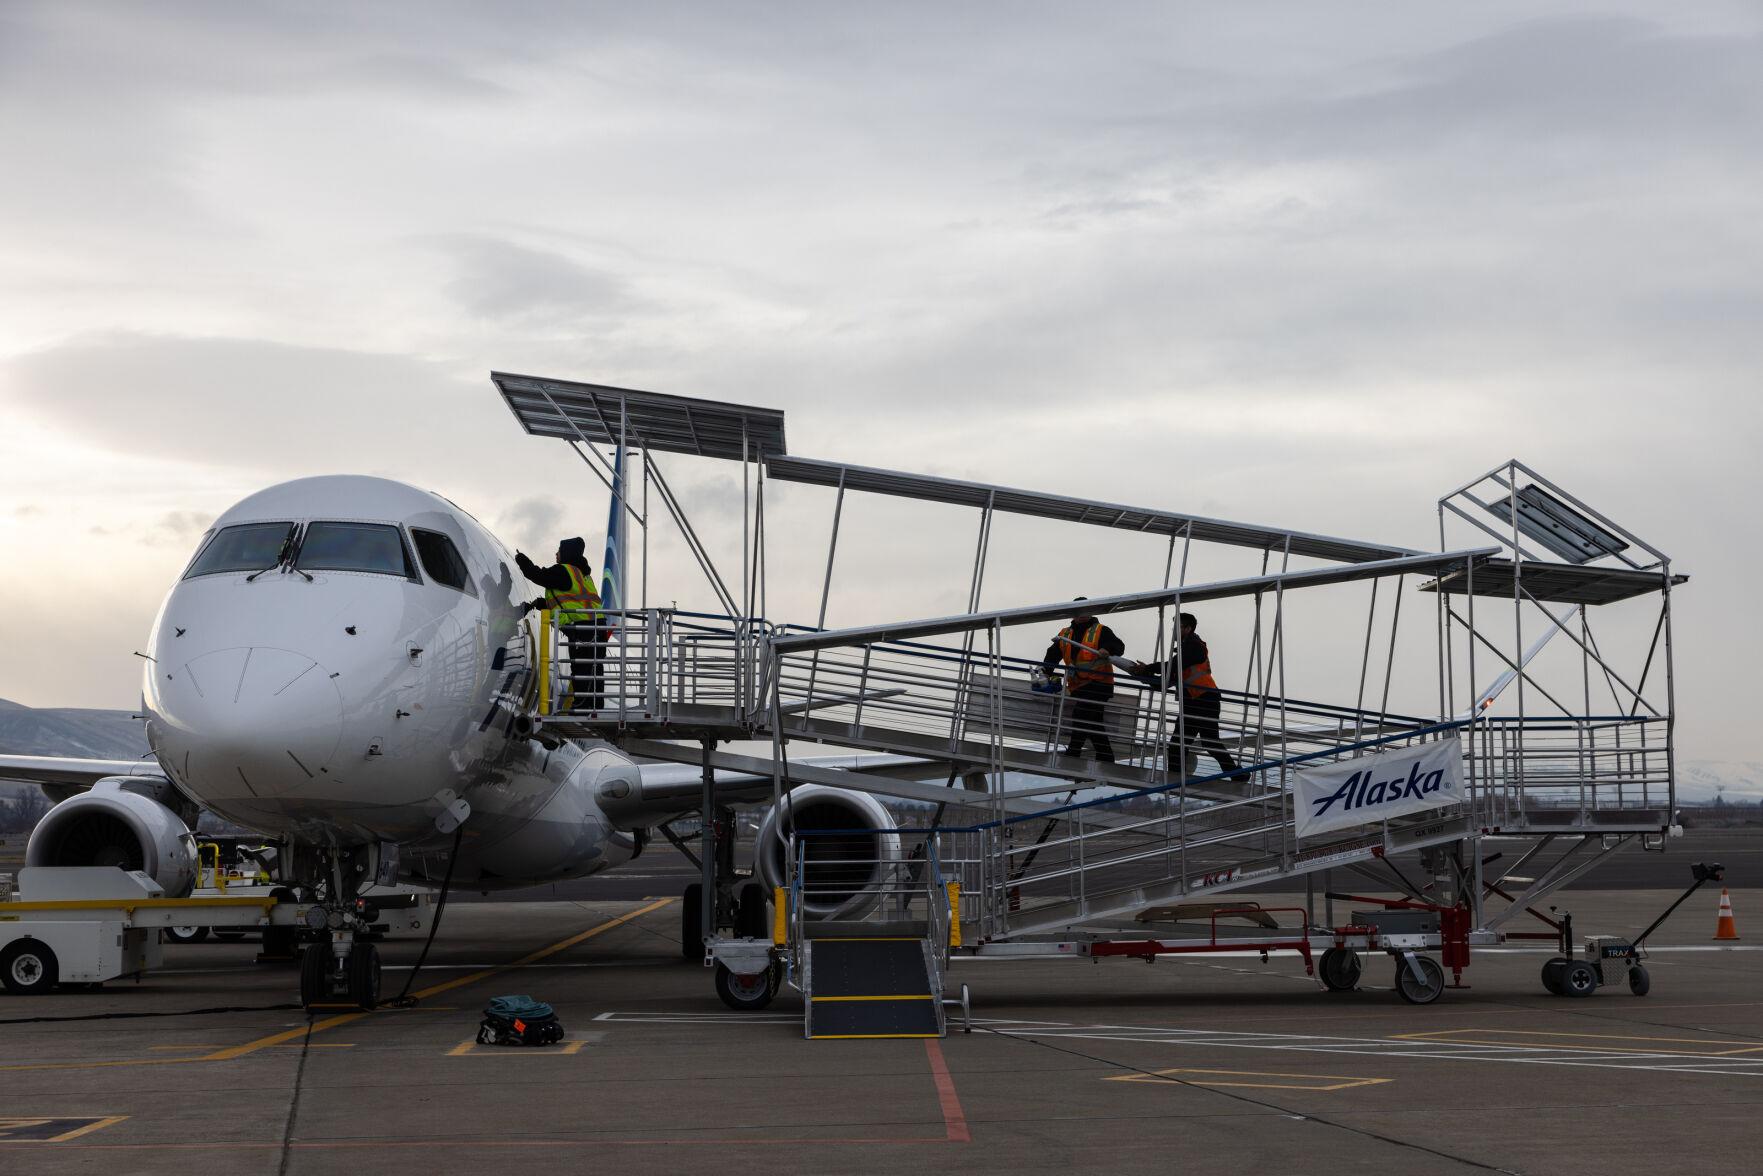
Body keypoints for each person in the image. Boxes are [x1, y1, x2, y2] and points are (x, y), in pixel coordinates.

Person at [1132, 612, 1244, 782]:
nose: (1174, 631)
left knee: (1199, 742)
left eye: (1177, 627)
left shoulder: (1194, 647)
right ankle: (1179, 777)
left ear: (1188, 628)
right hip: (1197, 701)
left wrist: (1148, 668)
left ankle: (1179, 778)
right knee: (1191, 743)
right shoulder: (1188, 650)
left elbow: (1174, 665)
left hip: (1204, 700)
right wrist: (1141, 675)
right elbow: (1165, 680)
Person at [515, 537, 604, 711]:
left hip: (582, 627)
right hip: (596, 626)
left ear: (567, 553)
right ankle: (594, 705)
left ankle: (582, 706)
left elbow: (537, 575)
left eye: (559, 551)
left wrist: (522, 560)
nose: (556, 554)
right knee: (593, 667)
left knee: (581, 668)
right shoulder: (582, 574)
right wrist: (542, 604)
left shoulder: (564, 571)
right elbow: (571, 600)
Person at [1041, 599, 1125, 763]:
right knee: (1093, 722)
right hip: (1080, 685)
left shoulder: (1101, 631)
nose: (1082, 614)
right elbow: (1052, 655)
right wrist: (1045, 672)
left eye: (1085, 610)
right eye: (1078, 610)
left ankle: (1074, 754)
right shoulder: (1065, 634)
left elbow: (1119, 646)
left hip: (1099, 684)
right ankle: (1106, 757)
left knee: (1081, 715)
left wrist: (1107, 649)